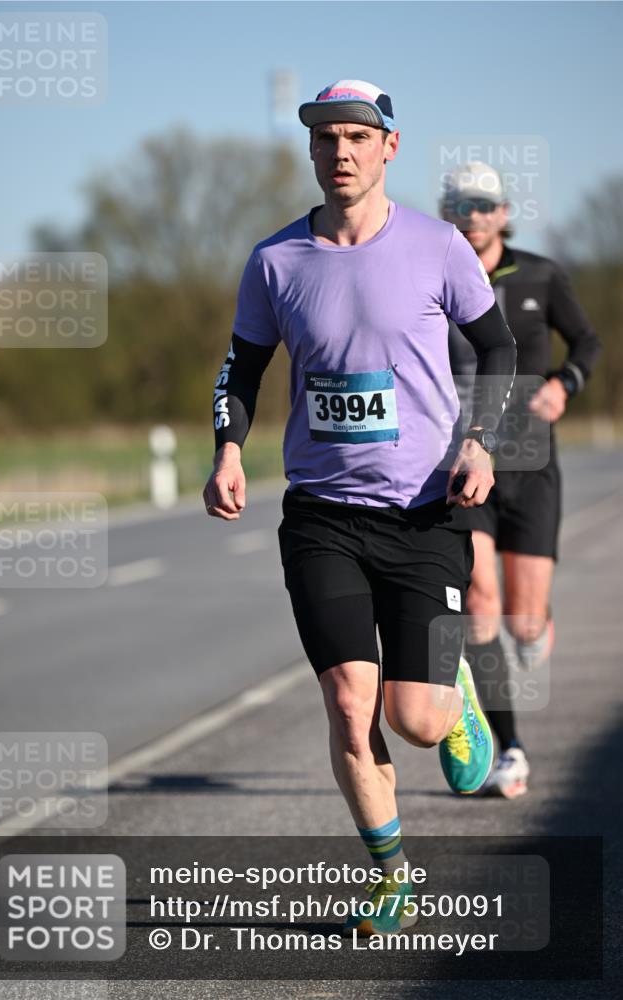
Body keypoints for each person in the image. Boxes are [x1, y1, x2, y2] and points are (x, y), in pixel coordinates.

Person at [203, 81, 516, 936]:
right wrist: (227, 449)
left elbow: (495, 345)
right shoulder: (275, 261)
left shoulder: (438, 246)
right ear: (310, 152)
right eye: (324, 138)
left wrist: (480, 438)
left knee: (412, 721)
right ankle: (390, 874)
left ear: (389, 147)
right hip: (322, 517)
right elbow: (242, 368)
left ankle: (451, 690)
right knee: (348, 704)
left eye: (354, 136)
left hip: (424, 514)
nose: (338, 150)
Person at [441, 162, 601, 798]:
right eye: (460, 203)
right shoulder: (433, 274)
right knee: (480, 604)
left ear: (503, 212)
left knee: (523, 621)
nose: (473, 214)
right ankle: (508, 747)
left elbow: (586, 340)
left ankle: (536, 625)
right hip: (462, 465)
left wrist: (566, 384)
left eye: (485, 204)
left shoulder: (541, 274)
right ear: (448, 210)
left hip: (532, 467)